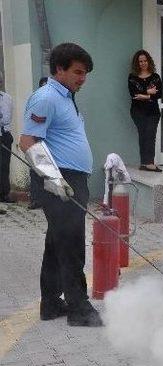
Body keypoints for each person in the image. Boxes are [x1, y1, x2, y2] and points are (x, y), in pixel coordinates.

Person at [19, 42, 102, 326]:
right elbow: (28, 141)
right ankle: (80, 310)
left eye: (86, 73)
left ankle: (52, 304)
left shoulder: (66, 97)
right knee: (71, 244)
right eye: (78, 72)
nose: (83, 78)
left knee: (56, 244)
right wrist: (53, 179)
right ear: (59, 69)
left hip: (73, 179)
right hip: (59, 179)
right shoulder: (46, 98)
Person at [128, 50, 162, 172]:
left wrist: (143, 96)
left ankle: (150, 162)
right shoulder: (132, 77)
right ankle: (144, 163)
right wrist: (148, 93)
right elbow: (133, 94)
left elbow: (159, 94)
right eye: (140, 61)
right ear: (137, 63)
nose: (143, 63)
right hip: (137, 112)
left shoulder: (155, 77)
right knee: (143, 135)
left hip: (153, 112)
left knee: (150, 135)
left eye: (145, 61)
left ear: (149, 61)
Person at [27, 77, 49, 210]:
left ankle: (48, 199)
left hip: (51, 142)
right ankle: (36, 199)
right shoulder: (35, 102)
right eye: (42, 86)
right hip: (36, 140)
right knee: (35, 171)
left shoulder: (57, 102)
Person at [0, 75, 14, 204]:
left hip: (4, 135)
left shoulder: (7, 98)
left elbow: (7, 118)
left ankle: (4, 193)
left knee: (4, 166)